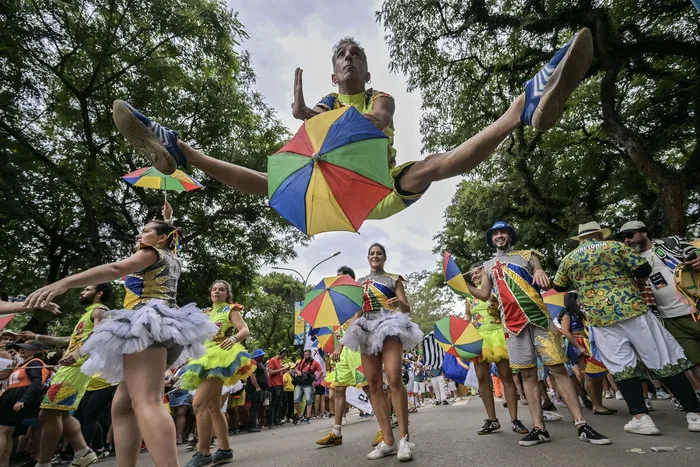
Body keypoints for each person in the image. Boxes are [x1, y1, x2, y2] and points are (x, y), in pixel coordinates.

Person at [112, 31, 593, 225]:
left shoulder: (378, 96)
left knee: (429, 167)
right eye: (342, 56)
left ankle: (521, 110)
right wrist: (305, 114)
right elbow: (310, 131)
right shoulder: (324, 101)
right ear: (334, 71)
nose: (349, 59)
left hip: (379, 184)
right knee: (267, 184)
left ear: (364, 69)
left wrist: (314, 116)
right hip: (330, 186)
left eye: (356, 55)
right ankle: (182, 152)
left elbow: (379, 122)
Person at [24, 206, 218, 467]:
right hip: (166, 329)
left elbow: (116, 268)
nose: (140, 234)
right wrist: (168, 221)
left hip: (146, 326)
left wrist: (64, 283)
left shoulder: (151, 254)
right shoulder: (171, 256)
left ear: (160, 239)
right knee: (122, 407)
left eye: (146, 231)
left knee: (147, 402)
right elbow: (171, 241)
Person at [467, 221, 610, 446]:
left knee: (557, 369)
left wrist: (540, 270)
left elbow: (540, 274)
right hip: (512, 325)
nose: (500, 236)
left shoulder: (528, 254)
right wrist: (461, 286)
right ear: (491, 239)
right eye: (495, 234)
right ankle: (539, 428)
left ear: (510, 236)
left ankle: (582, 424)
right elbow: (485, 295)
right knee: (527, 375)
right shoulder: (487, 265)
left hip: (539, 319)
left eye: (503, 232)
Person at [553, 221, 700, 435]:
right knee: (662, 358)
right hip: (632, 308)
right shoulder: (616, 247)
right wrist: (638, 283)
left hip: (600, 317)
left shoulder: (569, 258)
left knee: (622, 365)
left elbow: (558, 286)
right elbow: (643, 269)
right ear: (600, 235)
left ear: (581, 239)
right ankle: (694, 414)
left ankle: (641, 418)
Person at [340, 243, 423, 460]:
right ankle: (388, 441)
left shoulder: (393, 279)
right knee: (374, 383)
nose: (375, 256)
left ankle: (404, 440)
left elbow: (407, 307)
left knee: (394, 378)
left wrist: (399, 304)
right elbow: (357, 313)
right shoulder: (359, 283)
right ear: (368, 258)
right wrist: (342, 342)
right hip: (366, 328)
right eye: (372, 253)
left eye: (379, 253)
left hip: (390, 325)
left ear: (384, 258)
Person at [18, 284, 113, 467]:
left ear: (99, 293)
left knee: (48, 413)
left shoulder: (100, 310)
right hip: (69, 369)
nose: (82, 292)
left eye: (87, 289)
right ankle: (82, 452)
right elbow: (69, 341)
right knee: (59, 414)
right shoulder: (88, 314)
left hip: (75, 369)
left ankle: (43, 463)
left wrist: (78, 354)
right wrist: (38, 337)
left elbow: (99, 335)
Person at [617, 221, 700, 392]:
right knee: (693, 361)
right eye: (623, 237)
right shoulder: (630, 261)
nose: (626, 240)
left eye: (630, 235)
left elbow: (695, 253)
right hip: (668, 317)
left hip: (695, 308)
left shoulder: (670, 243)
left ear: (644, 232)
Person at [180, 281, 254, 467]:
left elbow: (244, 329)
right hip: (202, 358)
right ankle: (224, 450)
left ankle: (203, 452)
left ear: (227, 293)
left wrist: (233, 337)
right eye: (214, 289)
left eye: (221, 289)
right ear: (210, 292)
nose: (217, 292)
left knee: (198, 404)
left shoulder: (230, 310)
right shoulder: (205, 313)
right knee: (213, 407)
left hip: (220, 357)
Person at [464, 262, 528, 436]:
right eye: (473, 274)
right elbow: (468, 315)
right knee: (482, 378)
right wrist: (465, 320)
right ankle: (492, 420)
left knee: (507, 377)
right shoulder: (469, 296)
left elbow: (508, 310)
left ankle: (515, 419)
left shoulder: (496, 290)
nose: (476, 275)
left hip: (498, 335)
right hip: (478, 338)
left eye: (479, 272)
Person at [316, 266, 372, 447]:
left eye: (341, 278)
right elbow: (335, 327)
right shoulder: (336, 302)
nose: (337, 281)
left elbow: (355, 323)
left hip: (357, 348)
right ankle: (336, 432)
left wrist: (339, 346)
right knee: (338, 390)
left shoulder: (357, 296)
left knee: (369, 389)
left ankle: (384, 427)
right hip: (343, 351)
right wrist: (333, 347)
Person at [558, 292, 615, 415]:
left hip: (588, 342)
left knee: (598, 374)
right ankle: (596, 405)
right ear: (573, 301)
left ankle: (599, 404)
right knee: (589, 375)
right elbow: (566, 332)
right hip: (577, 344)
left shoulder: (581, 314)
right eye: (579, 299)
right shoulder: (567, 315)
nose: (581, 300)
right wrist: (579, 347)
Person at [0, 340, 49, 467]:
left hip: (17, 397)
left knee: (2, 431)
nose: (21, 349)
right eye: (20, 348)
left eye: (25, 348)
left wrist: (23, 399)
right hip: (11, 397)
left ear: (35, 351)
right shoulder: (21, 364)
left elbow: (36, 381)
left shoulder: (35, 362)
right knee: (8, 433)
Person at [292, 349, 322, 424]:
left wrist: (316, 380)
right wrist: (297, 371)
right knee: (296, 400)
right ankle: (300, 415)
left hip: (308, 384)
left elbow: (321, 371)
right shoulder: (301, 361)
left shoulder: (314, 362)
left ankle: (308, 417)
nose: (306, 356)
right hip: (300, 383)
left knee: (309, 400)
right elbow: (295, 368)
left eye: (308, 354)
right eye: (305, 354)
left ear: (310, 354)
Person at [246, 349, 268, 433]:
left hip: (261, 388)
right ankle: (252, 426)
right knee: (254, 407)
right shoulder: (253, 363)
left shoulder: (260, 364)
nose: (263, 356)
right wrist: (257, 387)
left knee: (257, 407)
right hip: (254, 389)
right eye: (261, 355)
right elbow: (252, 376)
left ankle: (254, 424)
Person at [267, 348, 290, 426]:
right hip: (274, 385)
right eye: (283, 355)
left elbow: (280, 372)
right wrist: (282, 369)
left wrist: (285, 370)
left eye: (285, 356)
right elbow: (271, 372)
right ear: (279, 353)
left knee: (279, 403)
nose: (284, 357)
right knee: (273, 403)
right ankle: (271, 422)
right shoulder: (272, 360)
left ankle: (276, 420)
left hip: (280, 384)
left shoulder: (280, 361)